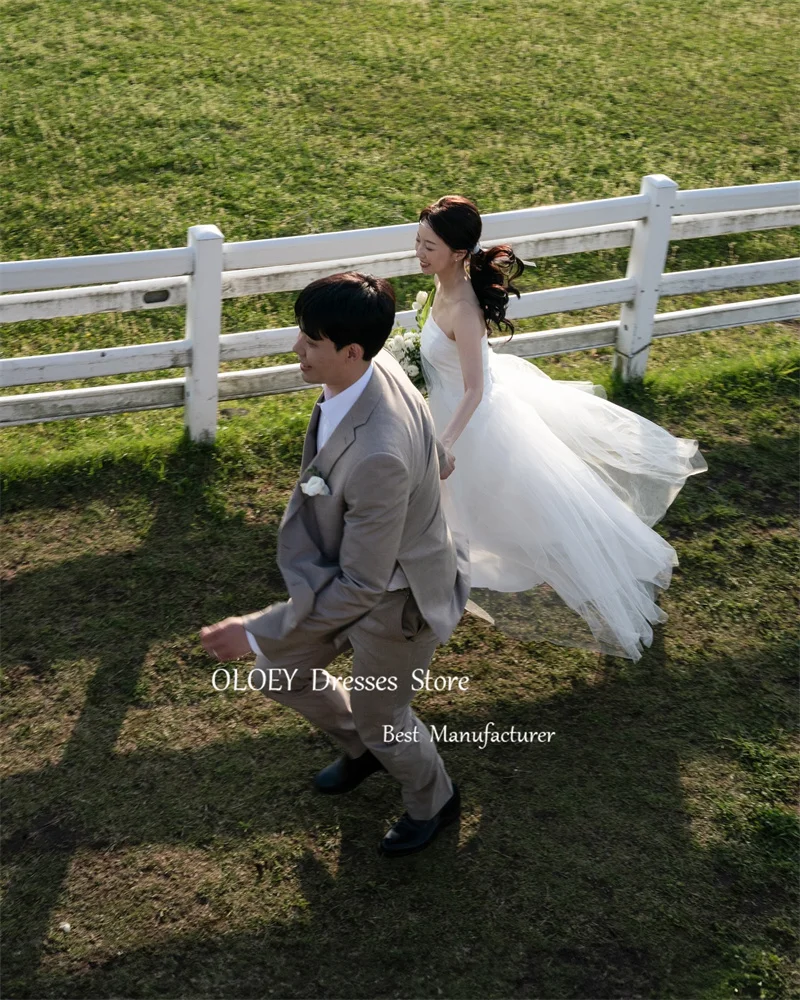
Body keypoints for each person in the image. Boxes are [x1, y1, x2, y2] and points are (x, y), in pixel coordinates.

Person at [200, 272, 470, 857]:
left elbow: (363, 584)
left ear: (351, 351)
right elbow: (427, 446)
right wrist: (438, 460)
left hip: (393, 604)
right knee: (278, 672)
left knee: (387, 716)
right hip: (351, 577)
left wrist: (255, 628)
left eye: (311, 341)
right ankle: (364, 748)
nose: (297, 349)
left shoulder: (378, 456)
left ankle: (435, 800)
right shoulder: (375, 367)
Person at [414, 195, 708, 661]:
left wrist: (445, 443)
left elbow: (473, 389)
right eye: (418, 240)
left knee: (541, 523)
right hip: (448, 414)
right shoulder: (440, 285)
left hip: (475, 427)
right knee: (466, 518)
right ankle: (426, 595)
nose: (419, 251)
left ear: (456, 253)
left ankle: (617, 572)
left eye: (429, 245)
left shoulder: (464, 310)